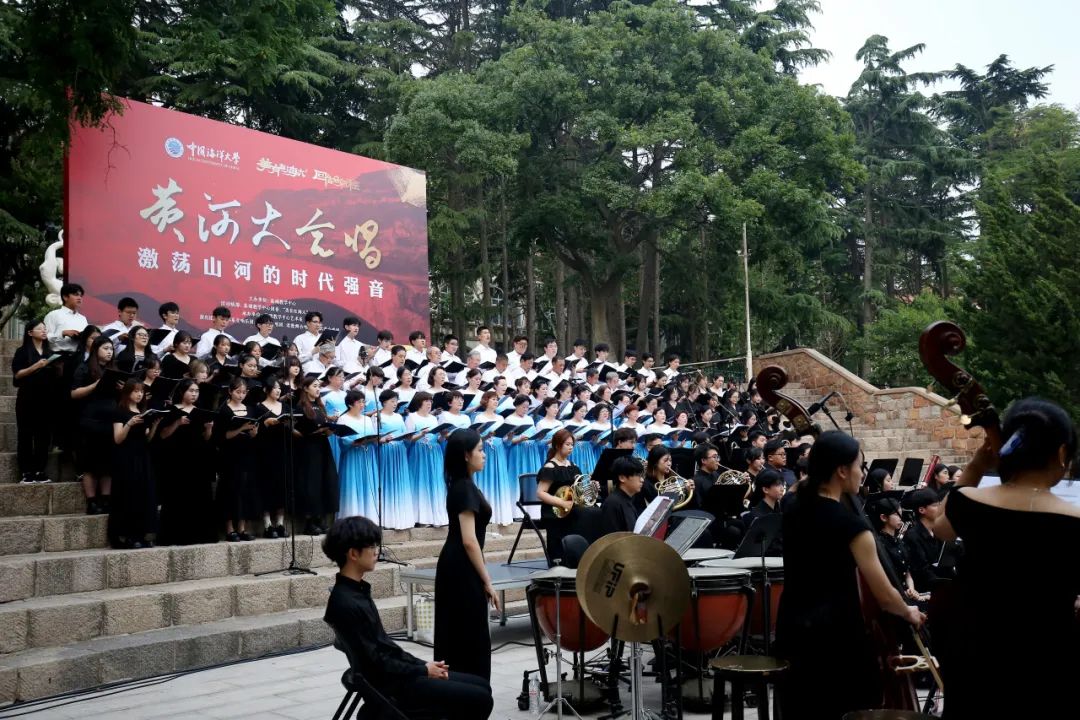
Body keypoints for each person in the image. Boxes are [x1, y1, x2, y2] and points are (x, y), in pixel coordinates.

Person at [930, 397, 1080, 719]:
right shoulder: (1075, 522)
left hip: (975, 653)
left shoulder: (968, 502)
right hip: (1048, 658)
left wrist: (975, 467)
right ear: (1062, 454)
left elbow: (941, 528)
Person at [776, 431, 924, 720]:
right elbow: (885, 596)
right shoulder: (852, 527)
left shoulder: (793, 509)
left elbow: (803, 487)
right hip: (836, 636)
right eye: (860, 465)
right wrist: (909, 612)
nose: (862, 473)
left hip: (792, 626)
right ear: (842, 471)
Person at [323, 517, 494, 720]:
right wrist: (422, 670)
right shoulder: (346, 602)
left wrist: (423, 665)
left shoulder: (355, 591)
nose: (377, 551)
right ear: (353, 554)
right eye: (372, 546)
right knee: (481, 699)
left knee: (482, 686)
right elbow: (378, 662)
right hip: (394, 686)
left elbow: (386, 648)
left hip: (398, 676)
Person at [434, 429, 499, 680]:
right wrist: (487, 581)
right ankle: (468, 688)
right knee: (467, 632)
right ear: (465, 455)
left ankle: (466, 687)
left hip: (460, 564)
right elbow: (469, 541)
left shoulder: (464, 485)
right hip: (460, 567)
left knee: (464, 630)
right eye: (480, 450)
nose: (484, 455)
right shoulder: (464, 489)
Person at [156, 379, 217, 544]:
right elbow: (162, 435)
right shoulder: (172, 410)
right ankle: (177, 535)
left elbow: (207, 439)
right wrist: (177, 423)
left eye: (196, 391)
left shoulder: (201, 412)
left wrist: (209, 429)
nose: (194, 394)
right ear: (182, 392)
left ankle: (200, 534)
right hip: (177, 460)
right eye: (191, 390)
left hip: (197, 460)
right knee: (178, 497)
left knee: (198, 497)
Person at [536, 428, 603, 559]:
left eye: (572, 444)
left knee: (597, 511)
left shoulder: (573, 466)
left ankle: (591, 553)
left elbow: (578, 490)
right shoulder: (550, 467)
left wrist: (592, 487)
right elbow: (540, 493)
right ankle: (575, 555)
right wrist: (562, 502)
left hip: (572, 507)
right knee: (588, 514)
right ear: (557, 445)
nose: (571, 447)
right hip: (556, 510)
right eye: (567, 444)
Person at [71, 336, 119, 514]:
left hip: (110, 421)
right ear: (96, 349)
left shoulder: (114, 370)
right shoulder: (84, 368)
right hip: (90, 421)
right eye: (105, 348)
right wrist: (96, 385)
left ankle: (106, 499)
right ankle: (91, 501)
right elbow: (74, 393)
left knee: (108, 463)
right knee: (89, 463)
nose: (109, 352)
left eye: (111, 349)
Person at [12, 319, 60, 483]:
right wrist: (36, 366)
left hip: (46, 399)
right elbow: (17, 375)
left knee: (43, 436)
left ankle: (40, 470)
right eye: (40, 328)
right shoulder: (22, 351)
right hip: (27, 399)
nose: (44, 331)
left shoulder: (49, 352)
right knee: (25, 435)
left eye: (45, 328)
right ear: (30, 332)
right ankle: (26, 471)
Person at [215, 378, 260, 542]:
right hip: (230, 455)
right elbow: (222, 436)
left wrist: (253, 433)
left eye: (243, 392)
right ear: (230, 391)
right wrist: (241, 428)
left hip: (247, 453)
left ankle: (242, 527)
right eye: (238, 392)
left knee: (245, 490)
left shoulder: (250, 409)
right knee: (229, 490)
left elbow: (253, 433)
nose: (241, 395)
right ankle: (230, 528)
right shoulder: (224, 411)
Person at [295, 376, 340, 535]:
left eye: (319, 386)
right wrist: (312, 433)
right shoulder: (300, 407)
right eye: (314, 386)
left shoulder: (320, 406)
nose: (318, 389)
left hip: (322, 446)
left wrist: (329, 430)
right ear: (306, 388)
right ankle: (310, 521)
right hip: (309, 448)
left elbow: (323, 426)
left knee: (324, 480)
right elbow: (297, 430)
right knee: (311, 483)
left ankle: (320, 518)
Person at [868, 497, 921, 602]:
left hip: (906, 594)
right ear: (883, 517)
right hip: (894, 598)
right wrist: (904, 593)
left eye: (901, 513)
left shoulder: (899, 541)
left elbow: (907, 573)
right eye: (897, 514)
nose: (901, 518)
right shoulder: (879, 545)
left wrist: (911, 589)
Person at [901, 488, 948, 593]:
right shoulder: (912, 536)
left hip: (941, 582)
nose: (940, 508)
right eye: (935, 505)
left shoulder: (938, 531)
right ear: (922, 510)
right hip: (926, 590)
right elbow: (923, 571)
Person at [602, 456, 645, 534]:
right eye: (638, 475)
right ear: (622, 478)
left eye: (642, 476)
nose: (642, 480)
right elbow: (612, 538)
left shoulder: (629, 498)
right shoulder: (612, 503)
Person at [44, 282, 88, 353]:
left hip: (80, 355)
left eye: (81, 296)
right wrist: (63, 334)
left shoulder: (83, 318)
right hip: (59, 356)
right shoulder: (53, 315)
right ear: (65, 297)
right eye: (76, 295)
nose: (79, 298)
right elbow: (45, 337)